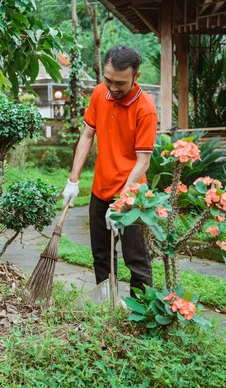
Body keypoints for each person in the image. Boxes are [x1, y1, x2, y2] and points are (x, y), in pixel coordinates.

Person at [62, 46, 157, 296]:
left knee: (136, 260)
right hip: (100, 190)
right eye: (108, 80)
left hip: (132, 197)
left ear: (136, 77)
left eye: (120, 83)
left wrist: (121, 203)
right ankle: (107, 305)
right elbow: (87, 135)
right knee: (101, 255)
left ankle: (143, 313)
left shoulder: (145, 109)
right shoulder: (99, 93)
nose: (113, 88)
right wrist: (73, 181)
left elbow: (143, 162)